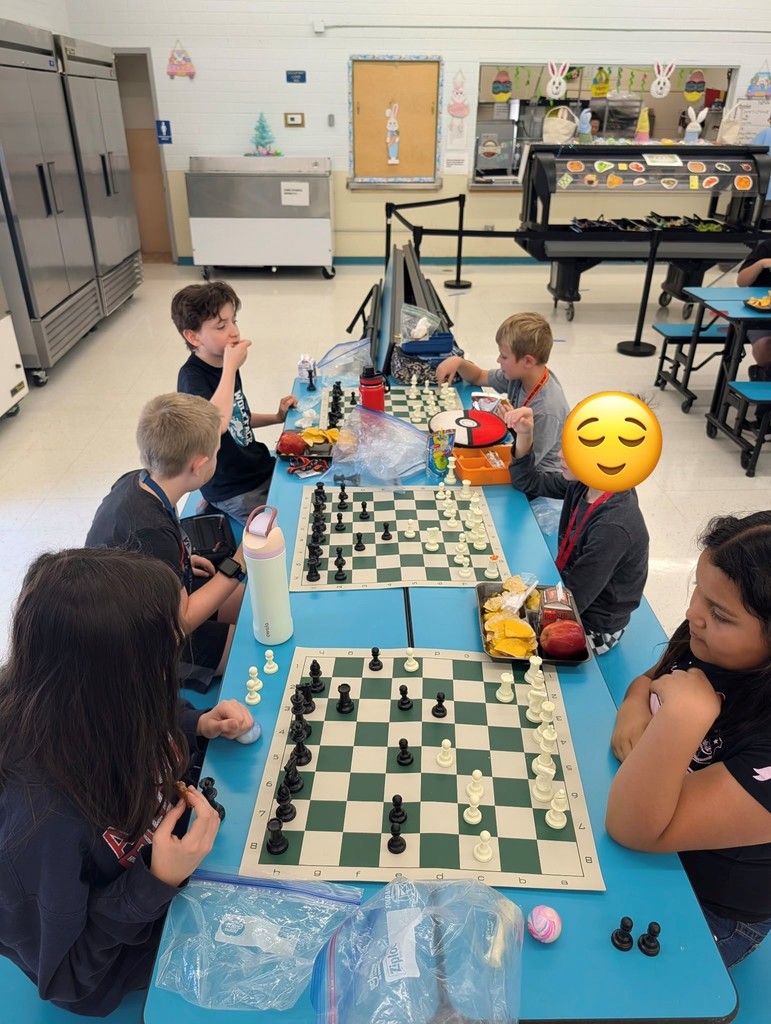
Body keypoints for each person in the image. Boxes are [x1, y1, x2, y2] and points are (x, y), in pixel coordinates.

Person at [0, 548, 255, 1015]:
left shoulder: (94, 702)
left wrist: (196, 723)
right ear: (117, 678)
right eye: (163, 658)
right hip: (131, 949)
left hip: (176, 869)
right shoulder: (35, 830)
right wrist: (155, 881)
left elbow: (147, 713)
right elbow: (68, 979)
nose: (172, 670)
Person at [607, 512, 771, 967]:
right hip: (656, 846)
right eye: (698, 589)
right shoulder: (707, 638)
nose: (692, 613)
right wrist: (635, 704)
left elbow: (632, 828)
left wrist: (685, 715)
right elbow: (652, 679)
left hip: (712, 909)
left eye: (719, 613)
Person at [86, 392, 245, 691]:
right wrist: (237, 565)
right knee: (246, 643)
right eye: (216, 452)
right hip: (139, 644)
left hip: (150, 599)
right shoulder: (150, 533)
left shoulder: (137, 480)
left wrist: (182, 558)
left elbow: (153, 554)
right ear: (198, 466)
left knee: (246, 603)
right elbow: (179, 623)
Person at [508, 405, 648, 654]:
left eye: (573, 450)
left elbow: (574, 603)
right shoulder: (586, 482)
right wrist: (525, 435)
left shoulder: (612, 527)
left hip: (593, 626)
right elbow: (525, 481)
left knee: (513, 647)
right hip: (568, 590)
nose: (561, 454)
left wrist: (516, 619)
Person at [173, 281, 297, 523]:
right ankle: (215, 507)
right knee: (284, 530)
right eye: (221, 326)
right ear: (192, 336)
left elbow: (236, 417)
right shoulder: (192, 378)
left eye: (234, 321)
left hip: (257, 468)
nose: (234, 332)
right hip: (235, 488)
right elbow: (216, 425)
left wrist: (276, 417)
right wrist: (230, 367)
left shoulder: (222, 359)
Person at [435, 312, 569, 472]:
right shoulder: (520, 376)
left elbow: (524, 465)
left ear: (528, 361)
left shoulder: (547, 410)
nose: (498, 360)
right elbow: (478, 376)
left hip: (539, 478)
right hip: (518, 456)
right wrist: (458, 362)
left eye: (504, 357)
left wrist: (514, 429)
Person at [736, 238, 771, 382]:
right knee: (765, 346)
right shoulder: (767, 247)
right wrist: (761, 264)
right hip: (760, 314)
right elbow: (741, 282)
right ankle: (763, 372)